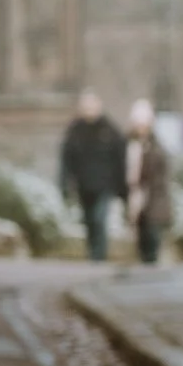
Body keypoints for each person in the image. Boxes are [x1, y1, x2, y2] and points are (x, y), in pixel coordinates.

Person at [58, 89, 126, 262]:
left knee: (99, 219)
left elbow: (120, 159)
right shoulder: (75, 131)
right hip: (84, 185)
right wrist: (64, 182)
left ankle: (99, 256)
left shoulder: (110, 130)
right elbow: (66, 159)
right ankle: (92, 253)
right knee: (89, 221)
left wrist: (122, 187)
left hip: (105, 186)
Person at [127, 98, 175, 265]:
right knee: (142, 247)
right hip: (137, 201)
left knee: (152, 246)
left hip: (153, 202)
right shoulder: (130, 145)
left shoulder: (156, 148)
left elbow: (158, 179)